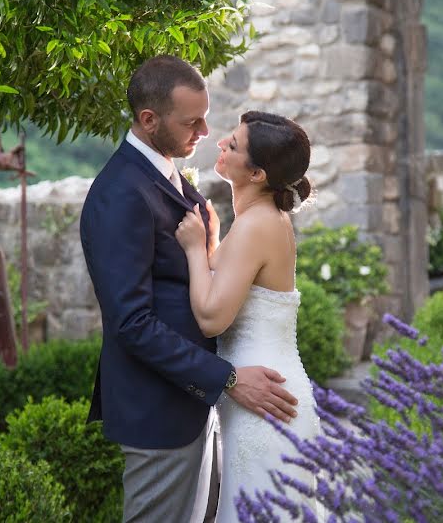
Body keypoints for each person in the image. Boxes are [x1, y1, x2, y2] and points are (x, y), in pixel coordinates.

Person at [80, 56, 299, 523]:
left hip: (192, 403)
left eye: (206, 115)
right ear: (148, 120)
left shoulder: (168, 176)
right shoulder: (119, 194)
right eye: (192, 121)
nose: (205, 130)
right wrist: (229, 379)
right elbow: (131, 324)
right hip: (159, 413)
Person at [175, 110, 321, 521]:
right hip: (262, 395)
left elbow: (211, 318)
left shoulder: (258, 224)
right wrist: (213, 241)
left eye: (233, 145)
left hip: (267, 402)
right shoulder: (259, 220)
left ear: (257, 174)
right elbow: (230, 281)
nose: (220, 144)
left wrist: (192, 249)